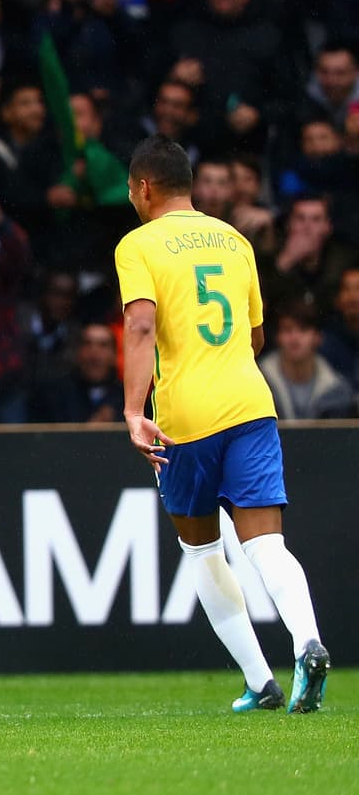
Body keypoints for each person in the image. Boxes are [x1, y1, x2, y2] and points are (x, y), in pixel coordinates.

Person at [115, 134, 330, 713]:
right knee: (267, 544)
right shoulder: (236, 241)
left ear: (143, 188)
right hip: (251, 403)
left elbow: (139, 327)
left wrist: (135, 411)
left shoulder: (138, 245)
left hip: (186, 413)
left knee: (204, 549)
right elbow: (256, 336)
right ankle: (307, 641)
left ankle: (261, 682)